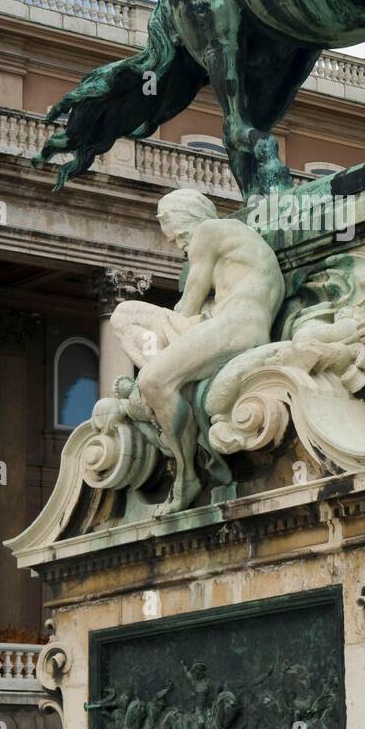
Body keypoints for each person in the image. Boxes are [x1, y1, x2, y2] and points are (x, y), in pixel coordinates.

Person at [111, 189, 284, 512]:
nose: (179, 246)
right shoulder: (240, 247)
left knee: (151, 377)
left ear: (183, 218)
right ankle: (159, 384)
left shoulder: (208, 231)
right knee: (126, 319)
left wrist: (162, 347)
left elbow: (188, 304)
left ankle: (186, 475)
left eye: (176, 236)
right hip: (234, 326)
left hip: (233, 328)